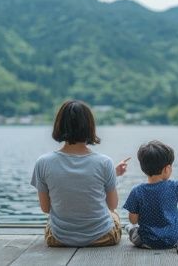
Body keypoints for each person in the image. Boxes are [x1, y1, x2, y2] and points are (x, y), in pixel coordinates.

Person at [31, 100, 130, 247]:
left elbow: (46, 208)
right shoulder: (104, 163)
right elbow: (112, 204)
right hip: (103, 237)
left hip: (59, 239)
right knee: (114, 215)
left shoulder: (43, 162)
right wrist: (110, 174)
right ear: (90, 127)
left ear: (59, 125)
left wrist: (112, 174)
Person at [123, 140, 178, 251]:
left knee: (136, 231)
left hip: (148, 241)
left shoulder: (137, 191)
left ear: (144, 168)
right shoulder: (174, 187)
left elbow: (133, 220)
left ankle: (131, 231)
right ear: (167, 169)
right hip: (173, 239)